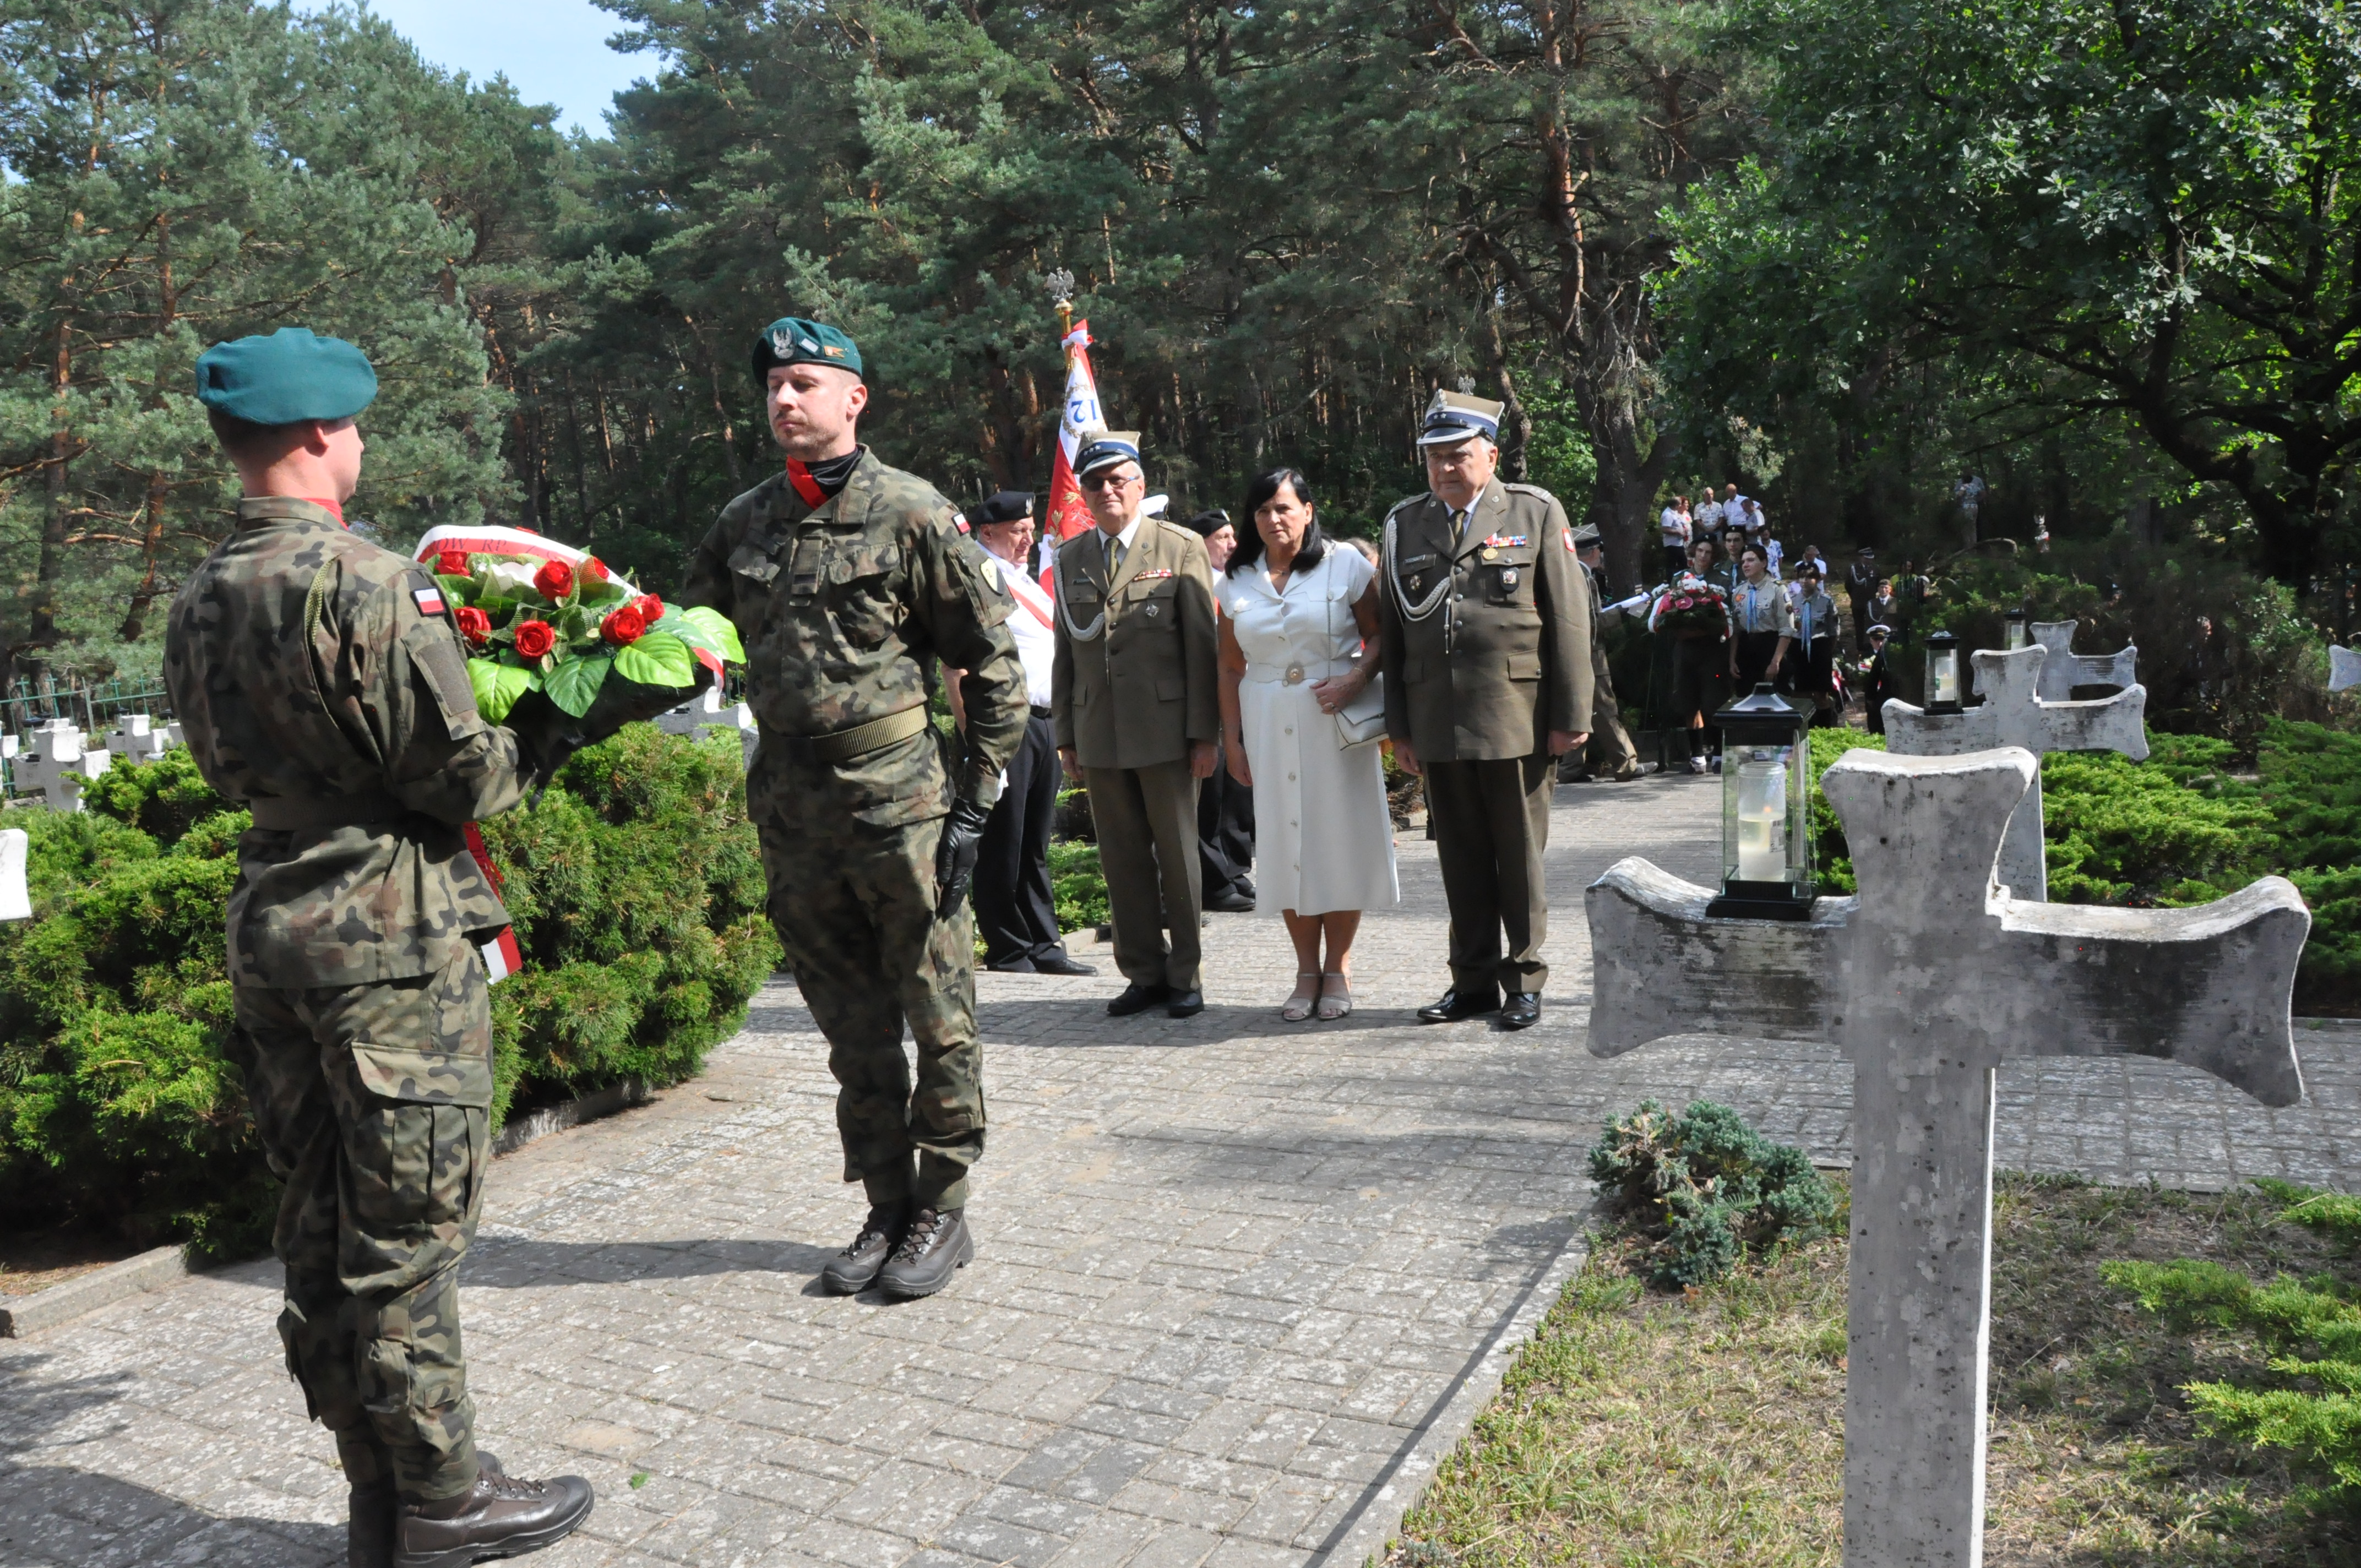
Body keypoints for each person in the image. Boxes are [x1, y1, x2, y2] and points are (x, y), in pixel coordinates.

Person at [165, 328, 613, 1568]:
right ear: (317, 435)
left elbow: (217, 761)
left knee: (316, 1221)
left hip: (274, 920)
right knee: (408, 1231)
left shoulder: (202, 590)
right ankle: (445, 1494)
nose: (357, 444)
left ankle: (377, 1487)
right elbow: (459, 771)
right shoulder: (363, 581)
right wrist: (569, 723)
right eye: (352, 425)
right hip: (386, 933)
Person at [681, 317, 1029, 1301]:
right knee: (850, 1025)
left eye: (802, 382)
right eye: (772, 388)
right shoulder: (743, 521)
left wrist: (975, 802)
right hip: (793, 808)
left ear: (852, 398)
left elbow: (991, 665)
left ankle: (943, 1203)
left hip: (901, 804)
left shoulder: (913, 513)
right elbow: (686, 637)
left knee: (937, 1010)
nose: (783, 400)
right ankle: (885, 1197)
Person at [1377, 390, 1590, 1031]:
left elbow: (1568, 621)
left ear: (1490, 454)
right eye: (1434, 457)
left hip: (1516, 715)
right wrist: (1399, 726)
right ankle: (1470, 981)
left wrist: (1572, 712)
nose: (1444, 468)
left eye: (1457, 455)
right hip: (1437, 720)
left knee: (1518, 857)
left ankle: (1523, 979)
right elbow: (1393, 633)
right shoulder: (1403, 524)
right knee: (1461, 859)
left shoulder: (1535, 511)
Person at [1216, 468, 1399, 1021]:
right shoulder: (1236, 577)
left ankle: (1337, 968)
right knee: (1285, 845)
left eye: (1284, 508)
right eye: (1263, 510)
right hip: (1267, 717)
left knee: (1335, 842)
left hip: (1333, 717)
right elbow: (1228, 665)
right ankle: (1304, 971)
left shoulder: (1343, 562)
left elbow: (1382, 634)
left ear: (1308, 511)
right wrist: (1234, 741)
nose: (1274, 519)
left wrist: (1357, 679)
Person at [1049, 430, 1222, 1019]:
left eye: (1116, 479)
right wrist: (1066, 734)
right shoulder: (1070, 556)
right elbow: (1066, 651)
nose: (1105, 491)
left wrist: (1206, 733)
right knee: (1121, 859)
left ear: (1139, 484)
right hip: (1100, 731)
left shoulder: (1178, 547)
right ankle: (1143, 971)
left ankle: (1186, 973)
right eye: (1093, 483)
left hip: (1167, 731)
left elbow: (1203, 647)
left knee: (1177, 854)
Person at [947, 492, 1097, 978]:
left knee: (1034, 840)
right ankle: (1008, 947)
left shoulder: (1023, 582)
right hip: (1002, 724)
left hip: (1044, 722)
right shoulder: (975, 580)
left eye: (1031, 528)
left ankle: (1044, 943)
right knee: (1002, 840)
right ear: (986, 532)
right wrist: (977, 743)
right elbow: (956, 666)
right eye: (1018, 529)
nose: (1029, 538)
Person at [1179, 507, 1256, 913]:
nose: (1231, 544)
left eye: (1232, 536)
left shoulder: (1240, 583)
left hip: (1244, 697)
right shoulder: (1192, 583)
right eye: (1221, 538)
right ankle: (1214, 879)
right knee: (1211, 796)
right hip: (1210, 701)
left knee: (1238, 793)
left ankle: (1235, 867)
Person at [1568, 525, 1641, 782]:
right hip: (1590, 654)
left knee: (1576, 710)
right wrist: (1622, 613)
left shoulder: (1568, 574)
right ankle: (1626, 763)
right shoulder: (1583, 577)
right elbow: (1592, 623)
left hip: (1573, 655)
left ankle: (1569, 768)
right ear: (1594, 551)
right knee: (1605, 708)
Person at [1653, 535, 1733, 773]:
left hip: (1711, 649)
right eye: (1700, 551)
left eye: (1708, 552)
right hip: (1685, 648)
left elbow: (1725, 615)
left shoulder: (1722, 579)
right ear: (1693, 552)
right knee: (1688, 701)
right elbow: (1668, 608)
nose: (1703, 556)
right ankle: (1697, 755)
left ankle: (1718, 753)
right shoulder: (1679, 579)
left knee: (1713, 702)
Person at [1729, 543, 1794, 692]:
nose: (1746, 565)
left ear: (1764, 563)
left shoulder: (1777, 589)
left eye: (1751, 560)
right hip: (1746, 651)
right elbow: (1735, 629)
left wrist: (1775, 662)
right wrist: (1732, 660)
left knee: (1774, 698)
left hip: (1770, 646)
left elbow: (1787, 628)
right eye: (1743, 562)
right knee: (1746, 698)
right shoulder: (1739, 591)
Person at [1788, 560, 1842, 725]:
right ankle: (1805, 729)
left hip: (1820, 648)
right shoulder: (1791, 601)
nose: (1805, 581)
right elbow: (1788, 628)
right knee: (1800, 693)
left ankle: (1825, 727)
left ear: (1817, 579)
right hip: (1798, 649)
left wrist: (1826, 651)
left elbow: (1834, 631)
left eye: (1810, 577)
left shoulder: (1826, 601)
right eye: (1802, 577)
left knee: (1821, 694)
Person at [1860, 624, 1898, 733]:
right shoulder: (1867, 654)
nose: (1879, 642)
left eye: (1882, 639)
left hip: (1889, 693)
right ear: (1871, 641)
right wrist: (1870, 698)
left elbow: (1874, 676)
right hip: (1879, 695)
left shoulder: (1888, 653)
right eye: (1876, 639)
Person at [1846, 546, 1880, 650]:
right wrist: (1855, 596)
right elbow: (1848, 585)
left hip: (1871, 602)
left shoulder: (1875, 569)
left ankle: (1872, 647)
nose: (1869, 561)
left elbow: (1877, 583)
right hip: (1858, 602)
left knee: (1871, 624)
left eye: (1870, 558)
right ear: (1861, 557)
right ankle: (1861, 648)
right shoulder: (1853, 568)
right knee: (1859, 626)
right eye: (1866, 558)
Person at [1658, 494, 1691, 579]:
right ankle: (1670, 584)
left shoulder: (1674, 513)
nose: (1681, 506)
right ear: (1676, 505)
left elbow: (1679, 523)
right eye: (1680, 504)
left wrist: (1684, 529)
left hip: (1678, 544)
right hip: (1672, 545)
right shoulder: (1668, 515)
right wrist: (1677, 532)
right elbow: (1665, 529)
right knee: (1672, 566)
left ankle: (1684, 582)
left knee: (1683, 565)